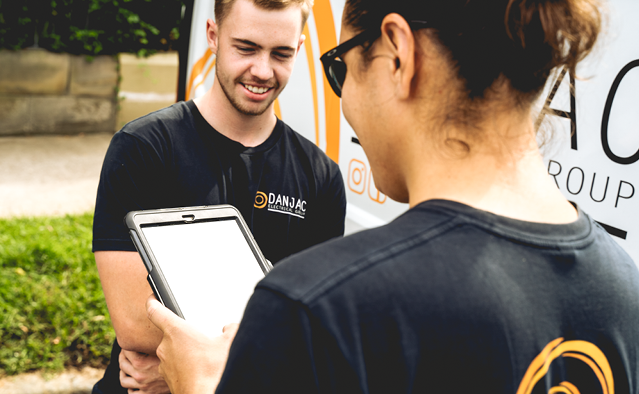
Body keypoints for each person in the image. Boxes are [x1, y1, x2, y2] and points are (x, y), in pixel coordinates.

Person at [146, 0, 639, 392]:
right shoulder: (623, 289)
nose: (347, 104)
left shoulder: (317, 310)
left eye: (342, 70)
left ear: (398, 55)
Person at [91, 0, 346, 392]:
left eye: (281, 54)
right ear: (213, 36)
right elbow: (135, 324)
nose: (262, 71)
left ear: (300, 46)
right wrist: (264, 352)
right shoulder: (143, 148)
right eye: (245, 48)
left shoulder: (321, 177)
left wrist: (193, 372)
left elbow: (313, 331)